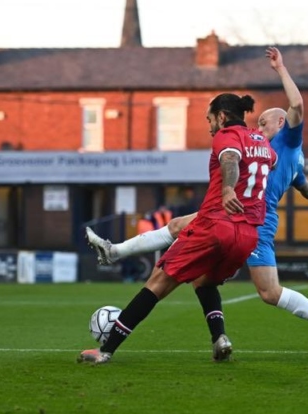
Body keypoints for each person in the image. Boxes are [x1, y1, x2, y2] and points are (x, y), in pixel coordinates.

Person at [86, 47, 308, 350]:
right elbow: (304, 187)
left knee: (269, 292)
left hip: (251, 219)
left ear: (282, 125)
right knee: (184, 240)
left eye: (265, 123)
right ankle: (117, 253)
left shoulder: (287, 141)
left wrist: (280, 69)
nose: (259, 128)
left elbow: (297, 105)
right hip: (240, 218)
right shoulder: (276, 154)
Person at [79, 93, 277, 364]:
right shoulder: (263, 143)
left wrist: (229, 188)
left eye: (209, 119)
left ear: (221, 116)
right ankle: (220, 338)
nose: (209, 126)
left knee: (157, 283)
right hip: (247, 235)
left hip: (216, 225)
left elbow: (230, 159)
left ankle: (106, 351)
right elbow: (271, 162)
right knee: (203, 280)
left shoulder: (226, 135)